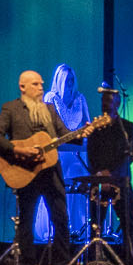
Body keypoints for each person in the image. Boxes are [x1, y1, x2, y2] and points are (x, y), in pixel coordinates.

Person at [0, 70, 74, 265]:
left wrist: (84, 132)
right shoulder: (11, 109)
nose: (41, 87)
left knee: (61, 218)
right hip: (26, 171)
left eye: (41, 83)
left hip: (51, 172)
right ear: (22, 87)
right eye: (35, 84)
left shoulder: (50, 109)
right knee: (27, 220)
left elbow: (65, 135)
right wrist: (18, 150)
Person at [83, 88, 133, 265]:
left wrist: (111, 174)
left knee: (129, 223)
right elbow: (91, 154)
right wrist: (99, 175)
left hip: (120, 180)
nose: (105, 104)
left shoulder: (128, 127)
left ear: (117, 103)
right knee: (95, 223)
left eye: (109, 100)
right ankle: (95, 264)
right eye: (103, 101)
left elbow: (127, 154)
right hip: (98, 180)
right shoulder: (95, 127)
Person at [37, 63, 92, 247]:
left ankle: (78, 229)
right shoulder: (51, 98)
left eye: (72, 80)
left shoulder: (80, 99)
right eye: (66, 80)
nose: (70, 83)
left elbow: (87, 124)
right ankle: (55, 229)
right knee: (57, 187)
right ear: (59, 80)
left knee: (79, 181)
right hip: (59, 152)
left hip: (75, 153)